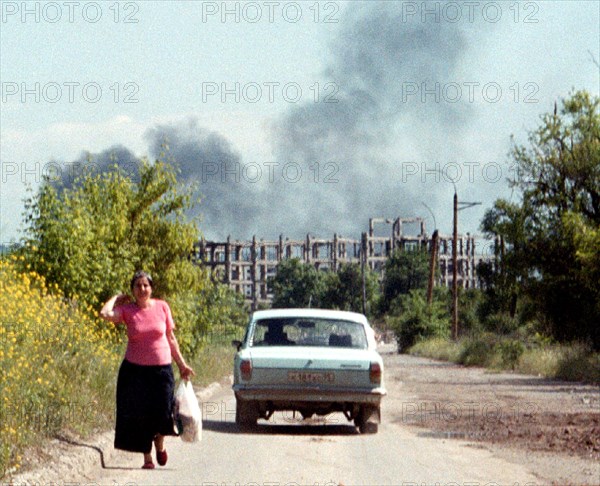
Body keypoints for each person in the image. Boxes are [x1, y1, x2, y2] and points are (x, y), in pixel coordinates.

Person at [100, 270, 195, 469]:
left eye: (146, 285)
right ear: (133, 290)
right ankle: (147, 458)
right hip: (135, 372)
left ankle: (160, 445)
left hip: (161, 371)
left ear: (151, 288)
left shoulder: (162, 307)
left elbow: (171, 338)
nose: (142, 289)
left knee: (163, 413)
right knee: (140, 415)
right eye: (138, 286)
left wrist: (182, 365)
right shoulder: (127, 310)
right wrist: (116, 298)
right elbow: (104, 314)